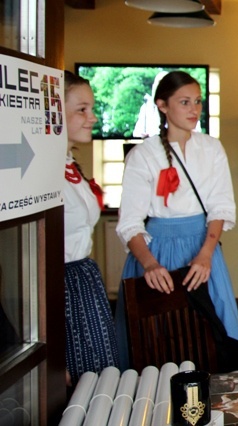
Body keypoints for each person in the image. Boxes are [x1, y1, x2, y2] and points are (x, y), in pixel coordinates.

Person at [114, 71, 238, 369]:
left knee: (212, 335)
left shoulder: (211, 148)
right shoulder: (143, 155)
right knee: (158, 342)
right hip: (157, 252)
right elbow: (130, 223)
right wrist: (149, 263)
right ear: (162, 105)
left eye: (197, 102)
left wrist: (206, 255)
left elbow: (221, 207)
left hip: (203, 251)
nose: (194, 110)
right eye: (184, 102)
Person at [62, 71, 119, 386]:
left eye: (92, 108)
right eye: (81, 109)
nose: (92, 117)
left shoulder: (69, 165)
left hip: (84, 280)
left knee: (99, 379)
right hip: (62, 286)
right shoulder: (43, 173)